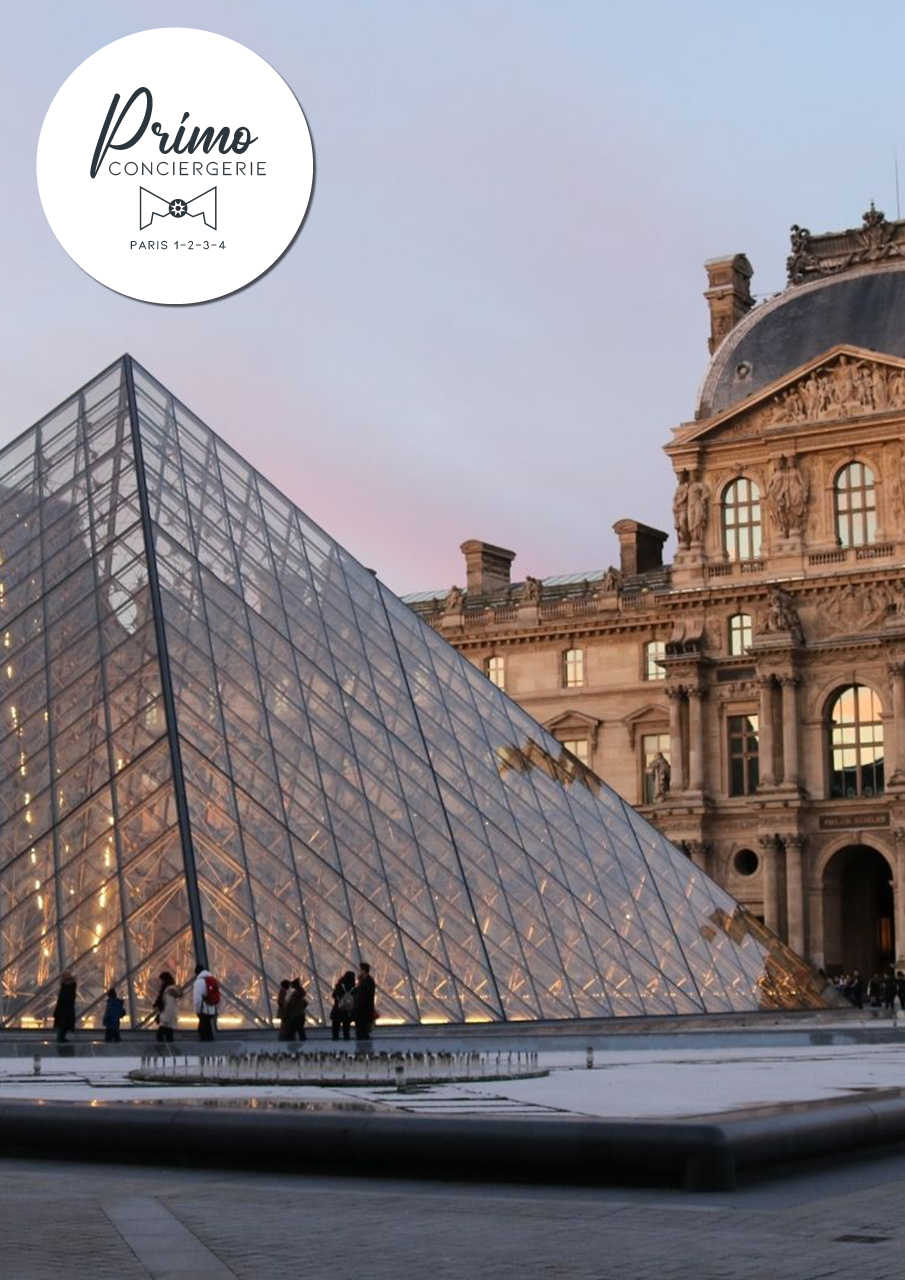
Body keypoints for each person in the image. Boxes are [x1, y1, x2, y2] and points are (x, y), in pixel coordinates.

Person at [153, 971, 183, 1044]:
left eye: (161, 980)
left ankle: (163, 1053)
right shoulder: (170, 990)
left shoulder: (168, 991)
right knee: (169, 1037)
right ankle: (170, 1053)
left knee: (160, 1036)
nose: (160, 982)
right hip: (169, 1019)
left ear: (164, 980)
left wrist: (164, 1018)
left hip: (166, 1019)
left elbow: (169, 1006)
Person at [192, 963, 220, 1041]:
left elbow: (197, 998)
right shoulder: (212, 979)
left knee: (202, 1028)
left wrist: (197, 1010)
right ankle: (210, 1042)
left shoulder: (199, 982)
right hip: (211, 1008)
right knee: (208, 1027)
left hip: (203, 1008)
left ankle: (204, 1045)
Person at [353, 962, 376, 1045]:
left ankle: (364, 1049)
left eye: (360, 970)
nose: (359, 972)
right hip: (362, 1010)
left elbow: (364, 996)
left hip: (364, 1010)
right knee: (361, 1030)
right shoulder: (366, 981)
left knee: (362, 1031)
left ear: (364, 971)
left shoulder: (368, 981)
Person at [331, 971, 356, 1041]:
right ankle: (346, 1046)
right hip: (347, 1012)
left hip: (337, 1010)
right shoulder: (353, 987)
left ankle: (335, 1047)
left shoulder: (339, 985)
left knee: (335, 1031)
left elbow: (333, 995)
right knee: (346, 1032)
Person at [53, 972, 77, 1044]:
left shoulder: (66, 987)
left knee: (63, 1025)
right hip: (66, 1011)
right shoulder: (68, 987)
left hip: (64, 1011)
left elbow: (62, 1001)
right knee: (64, 1025)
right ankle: (61, 1038)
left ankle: (61, 1038)